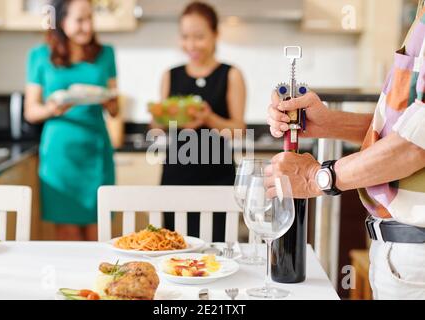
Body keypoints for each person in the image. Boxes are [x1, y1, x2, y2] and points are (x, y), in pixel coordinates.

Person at [266, 2, 425, 299]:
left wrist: (316, 178)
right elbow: (405, 130)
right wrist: (330, 123)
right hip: (402, 255)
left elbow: (413, 147)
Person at [24, 0, 118, 241]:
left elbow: (115, 108)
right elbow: (31, 111)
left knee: (100, 235)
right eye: (79, 20)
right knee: (67, 236)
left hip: (95, 152)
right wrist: (52, 108)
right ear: (61, 21)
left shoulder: (105, 54)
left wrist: (109, 101)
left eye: (90, 19)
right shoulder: (39, 56)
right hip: (60, 156)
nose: (87, 26)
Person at [154, 1, 246, 240]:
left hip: (218, 176)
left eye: (199, 37)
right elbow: (156, 128)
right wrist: (165, 118)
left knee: (217, 250)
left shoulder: (231, 74)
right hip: (176, 176)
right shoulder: (170, 75)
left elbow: (239, 130)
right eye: (185, 37)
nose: (191, 45)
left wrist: (209, 118)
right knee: (174, 248)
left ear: (216, 35)